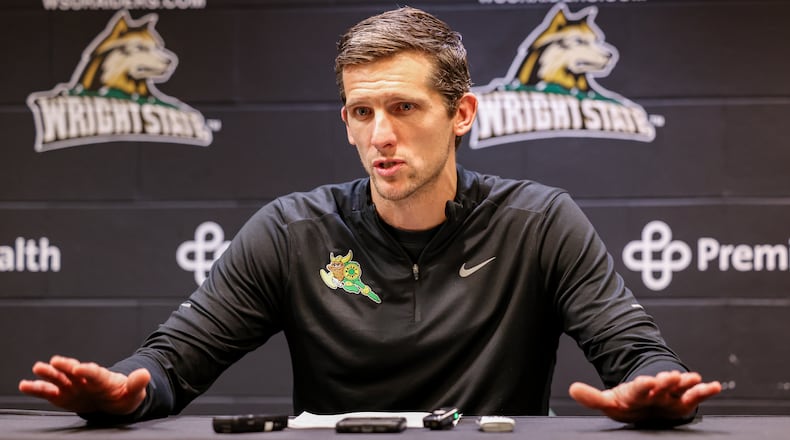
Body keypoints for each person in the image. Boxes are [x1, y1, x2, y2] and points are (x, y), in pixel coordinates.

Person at [19, 6, 721, 426]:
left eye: (405, 108)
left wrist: (657, 394)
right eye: (363, 111)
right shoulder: (293, 230)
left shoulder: (538, 222)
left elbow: (640, 359)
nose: (381, 134)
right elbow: (172, 363)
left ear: (462, 114)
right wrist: (126, 391)